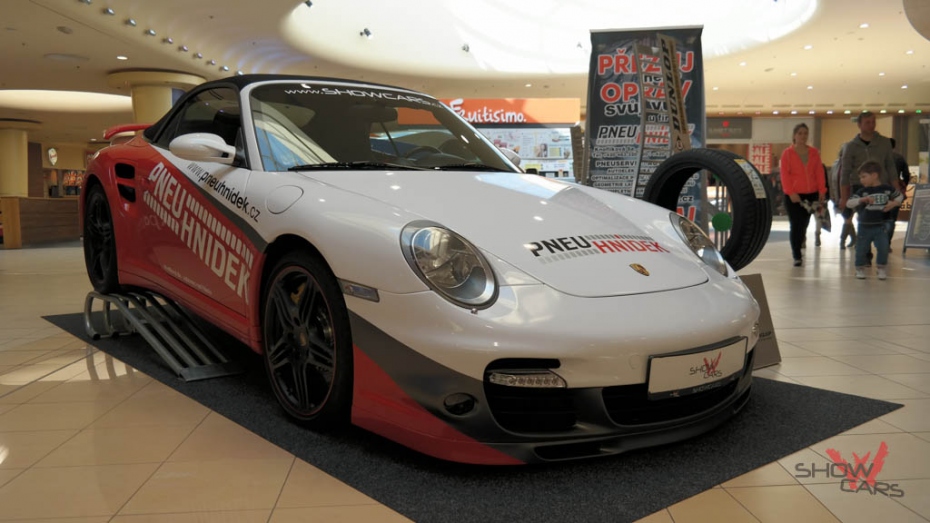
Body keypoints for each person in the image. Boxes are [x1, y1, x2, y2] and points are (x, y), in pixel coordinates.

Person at [838, 111, 902, 258]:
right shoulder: (850, 146)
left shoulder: (884, 143)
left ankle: (882, 246)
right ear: (859, 125)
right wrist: (844, 197)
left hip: (881, 187)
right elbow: (845, 173)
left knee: (884, 219)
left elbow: (890, 167)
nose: (871, 125)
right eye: (867, 122)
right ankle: (866, 253)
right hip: (860, 187)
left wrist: (896, 187)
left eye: (873, 122)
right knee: (865, 219)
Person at [846, 160, 903, 280]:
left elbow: (900, 196)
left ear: (874, 175)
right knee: (861, 249)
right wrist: (861, 200)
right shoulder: (862, 192)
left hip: (880, 226)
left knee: (883, 247)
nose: (861, 180)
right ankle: (859, 269)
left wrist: (894, 203)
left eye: (864, 177)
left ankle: (881, 268)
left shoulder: (887, 189)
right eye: (860, 177)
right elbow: (849, 203)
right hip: (864, 227)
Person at [779, 122, 827, 266]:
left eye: (805, 133)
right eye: (800, 133)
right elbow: (784, 175)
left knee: (804, 224)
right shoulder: (787, 153)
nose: (803, 136)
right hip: (794, 196)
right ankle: (797, 255)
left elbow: (819, 172)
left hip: (811, 194)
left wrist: (822, 190)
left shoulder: (814, 152)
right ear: (794, 135)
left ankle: (800, 244)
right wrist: (790, 192)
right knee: (796, 225)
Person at [832, 143, 857, 249]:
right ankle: (854, 238)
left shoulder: (854, 165)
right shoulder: (836, 164)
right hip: (838, 195)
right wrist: (833, 196)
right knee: (847, 218)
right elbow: (832, 180)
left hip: (850, 196)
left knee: (847, 218)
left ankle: (842, 241)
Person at [888, 138, 910, 246]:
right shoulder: (899, 158)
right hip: (896, 191)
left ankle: (880, 241)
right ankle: (887, 243)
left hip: (881, 190)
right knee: (892, 218)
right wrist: (903, 185)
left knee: (880, 217)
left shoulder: (878, 157)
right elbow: (906, 175)